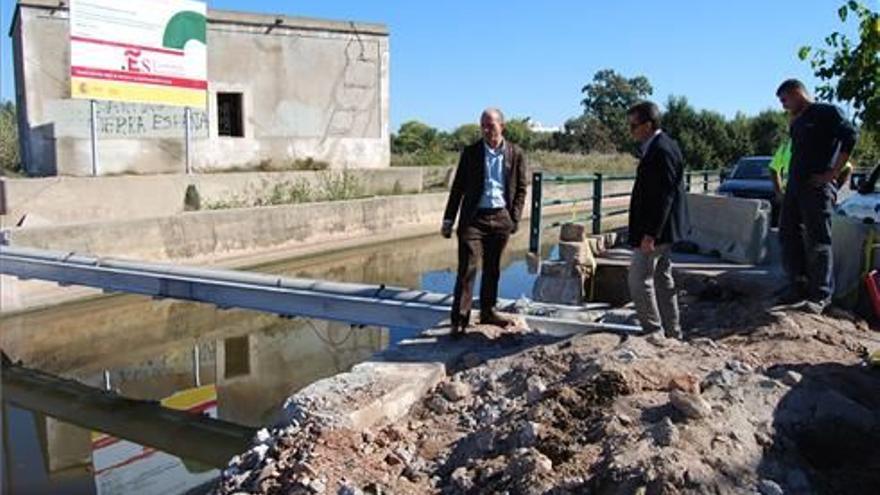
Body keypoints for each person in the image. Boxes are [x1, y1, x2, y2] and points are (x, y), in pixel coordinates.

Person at [441, 108, 528, 336]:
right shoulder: (471, 153)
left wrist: (514, 217)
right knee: (467, 269)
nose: (487, 130)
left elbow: (521, 188)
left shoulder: (515, 153)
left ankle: (488, 311)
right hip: (473, 219)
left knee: (493, 269)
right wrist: (449, 219)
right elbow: (458, 188)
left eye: (491, 125)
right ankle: (459, 321)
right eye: (483, 126)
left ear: (503, 126)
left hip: (501, 217)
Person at [775, 79, 858, 314]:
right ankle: (797, 285)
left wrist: (832, 173)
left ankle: (821, 295)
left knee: (818, 239)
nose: (784, 106)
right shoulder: (797, 122)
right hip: (796, 186)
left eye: (785, 100)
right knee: (788, 233)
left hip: (816, 187)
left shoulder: (826, 112)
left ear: (797, 92)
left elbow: (850, 136)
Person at [626, 101, 689, 339]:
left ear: (648, 125)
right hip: (662, 230)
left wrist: (650, 234)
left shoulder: (662, 150)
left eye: (634, 126)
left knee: (638, 279)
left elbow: (664, 196)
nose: (631, 131)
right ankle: (673, 333)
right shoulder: (660, 146)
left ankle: (653, 333)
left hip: (657, 232)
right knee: (662, 279)